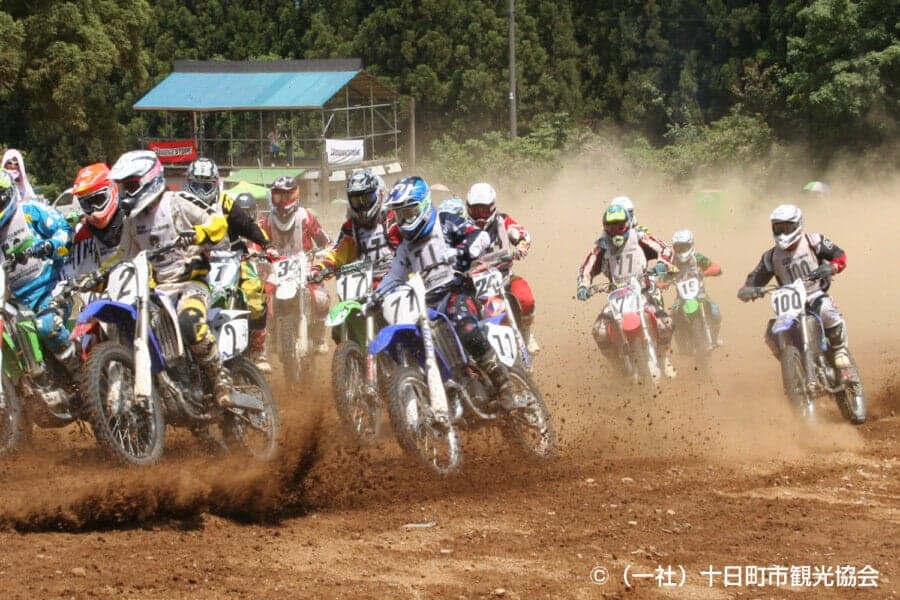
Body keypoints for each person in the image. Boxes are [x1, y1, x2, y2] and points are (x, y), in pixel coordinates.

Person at [375, 176, 520, 408]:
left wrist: (463, 251)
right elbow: (394, 276)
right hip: (426, 302)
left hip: (456, 290)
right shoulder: (405, 247)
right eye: (401, 214)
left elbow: (480, 235)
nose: (405, 219)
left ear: (423, 205)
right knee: (415, 336)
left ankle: (503, 384)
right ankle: (444, 385)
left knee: (465, 326)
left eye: (410, 212)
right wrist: (374, 296)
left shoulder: (444, 222)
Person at [110, 150, 232, 408]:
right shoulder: (132, 222)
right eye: (123, 188)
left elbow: (217, 222)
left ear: (148, 179)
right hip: (156, 291)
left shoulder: (178, 201)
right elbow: (122, 256)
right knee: (135, 327)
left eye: (130, 186)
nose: (126, 194)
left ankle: (219, 376)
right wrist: (98, 275)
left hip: (192, 284)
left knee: (190, 321)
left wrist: (198, 234)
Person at [737, 204, 858, 379]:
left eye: (787, 227)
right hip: (790, 305)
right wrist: (748, 290)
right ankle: (793, 366)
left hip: (814, 294)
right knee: (772, 332)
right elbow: (754, 279)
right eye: (778, 227)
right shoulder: (771, 256)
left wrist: (832, 267)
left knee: (826, 310)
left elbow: (839, 255)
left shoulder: (813, 241)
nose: (782, 232)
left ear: (798, 224)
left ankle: (840, 350)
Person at [186, 158, 277, 372]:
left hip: (232, 257)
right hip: (195, 263)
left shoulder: (224, 202)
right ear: (188, 183)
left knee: (255, 294)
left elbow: (246, 225)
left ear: (215, 184)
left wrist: (266, 244)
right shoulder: (181, 205)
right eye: (196, 185)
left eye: (206, 186)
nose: (201, 191)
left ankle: (258, 350)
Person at [575, 202, 676, 376]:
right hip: (616, 296)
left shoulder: (639, 237)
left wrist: (662, 263)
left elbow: (664, 249)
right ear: (605, 228)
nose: (615, 231)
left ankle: (663, 357)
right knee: (599, 330)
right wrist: (583, 286)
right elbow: (587, 268)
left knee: (665, 323)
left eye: (619, 226)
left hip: (641, 291)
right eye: (611, 227)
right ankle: (617, 366)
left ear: (627, 224)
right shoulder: (601, 246)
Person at [0, 170, 75, 379]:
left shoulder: (30, 210)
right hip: (15, 302)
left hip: (52, 288)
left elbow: (65, 230)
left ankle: (78, 370)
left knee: (46, 325)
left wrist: (50, 245)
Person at [261, 175, 332, 354]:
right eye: (278, 196)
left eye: (286, 196)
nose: (282, 201)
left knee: (321, 297)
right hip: (278, 265)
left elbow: (324, 239)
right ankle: (270, 335)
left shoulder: (305, 216)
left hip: (304, 262)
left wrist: (327, 249)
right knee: (263, 296)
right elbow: (258, 241)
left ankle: (319, 336)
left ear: (295, 195)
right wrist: (259, 253)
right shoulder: (268, 220)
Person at [466, 182, 538, 352]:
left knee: (526, 299)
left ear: (492, 207)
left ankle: (526, 332)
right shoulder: (463, 228)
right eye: (476, 210)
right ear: (469, 209)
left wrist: (521, 244)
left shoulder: (502, 220)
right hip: (476, 285)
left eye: (484, 210)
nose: (480, 216)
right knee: (464, 316)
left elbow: (520, 232)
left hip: (504, 276)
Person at [312, 169, 399, 279]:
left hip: (393, 280)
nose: (362, 205)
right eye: (356, 201)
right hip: (361, 283)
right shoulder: (350, 228)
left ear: (379, 195)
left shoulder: (392, 219)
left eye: (367, 199)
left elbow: (408, 246)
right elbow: (337, 255)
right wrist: (320, 269)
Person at [657, 229, 723, 348]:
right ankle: (681, 342)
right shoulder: (672, 262)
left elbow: (716, 268)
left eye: (684, 246)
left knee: (715, 312)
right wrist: (663, 283)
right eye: (678, 247)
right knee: (671, 321)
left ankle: (716, 336)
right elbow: (661, 280)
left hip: (700, 294)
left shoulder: (697, 257)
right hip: (681, 299)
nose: (681, 249)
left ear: (691, 244)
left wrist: (705, 273)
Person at [65, 163, 126, 279]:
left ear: (112, 191)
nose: (94, 209)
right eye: (87, 204)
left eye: (98, 200)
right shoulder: (84, 235)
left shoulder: (132, 220)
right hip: (108, 288)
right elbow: (67, 273)